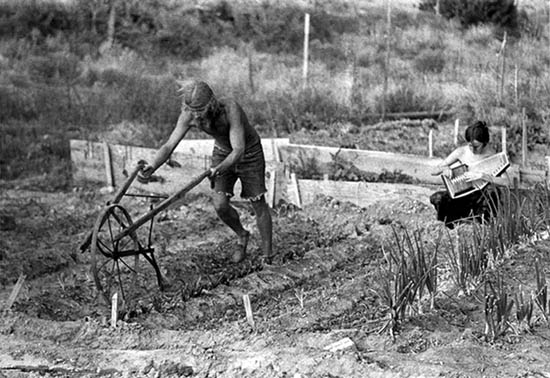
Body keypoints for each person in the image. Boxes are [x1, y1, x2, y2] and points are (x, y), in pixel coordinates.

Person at [138, 80, 273, 264]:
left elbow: (238, 150)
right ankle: (242, 236)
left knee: (257, 202)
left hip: (249, 152)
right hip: (222, 151)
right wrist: (153, 165)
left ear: (211, 103)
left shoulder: (230, 109)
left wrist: (218, 169)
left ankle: (268, 256)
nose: (196, 116)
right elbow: (169, 145)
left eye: (199, 110)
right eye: (192, 110)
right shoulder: (189, 115)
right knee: (220, 205)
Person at [429, 120, 511, 229]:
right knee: (438, 198)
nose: (473, 149)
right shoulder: (461, 152)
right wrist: (445, 169)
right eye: (470, 145)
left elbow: (506, 182)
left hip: (480, 199)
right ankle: (449, 227)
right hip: (461, 196)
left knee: (492, 193)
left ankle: (484, 226)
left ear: (484, 143)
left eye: (477, 146)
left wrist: (484, 176)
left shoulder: (491, 156)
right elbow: (433, 170)